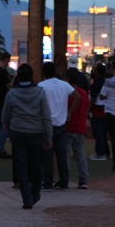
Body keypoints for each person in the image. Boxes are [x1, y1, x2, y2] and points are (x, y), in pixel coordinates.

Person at [2, 63, 52, 209]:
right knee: (37, 165)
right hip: (36, 132)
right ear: (32, 76)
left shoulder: (11, 94)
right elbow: (46, 116)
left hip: (18, 132)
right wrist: (49, 136)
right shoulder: (40, 92)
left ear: (17, 76)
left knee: (21, 166)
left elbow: (5, 117)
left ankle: (27, 199)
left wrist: (10, 132)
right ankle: (35, 193)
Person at [38, 61, 81, 190]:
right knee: (62, 155)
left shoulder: (42, 86)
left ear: (43, 73)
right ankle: (64, 182)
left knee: (47, 155)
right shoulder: (64, 85)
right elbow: (78, 97)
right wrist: (69, 112)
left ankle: (47, 182)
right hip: (61, 124)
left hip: (47, 125)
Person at [64, 67, 90, 188]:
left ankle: (65, 179)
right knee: (80, 154)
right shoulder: (84, 93)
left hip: (68, 128)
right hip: (80, 128)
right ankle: (83, 180)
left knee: (66, 155)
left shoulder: (67, 93)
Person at [88, 63, 109, 161]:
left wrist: (88, 109)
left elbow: (93, 98)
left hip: (97, 109)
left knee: (98, 132)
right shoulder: (105, 81)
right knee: (103, 132)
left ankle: (100, 153)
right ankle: (105, 152)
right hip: (105, 109)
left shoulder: (96, 83)